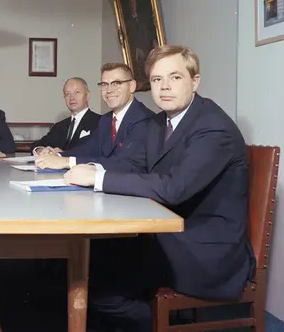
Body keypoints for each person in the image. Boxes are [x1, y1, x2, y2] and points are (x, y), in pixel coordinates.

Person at [64, 45, 255, 332]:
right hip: (173, 231)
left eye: (175, 77)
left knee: (98, 289)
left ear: (195, 81)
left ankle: (159, 324)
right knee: (91, 260)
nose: (164, 86)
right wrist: (90, 169)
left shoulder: (213, 127)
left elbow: (174, 188)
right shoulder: (159, 122)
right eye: (156, 79)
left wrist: (98, 179)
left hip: (205, 248)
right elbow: (133, 164)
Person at [35, 63, 153, 169]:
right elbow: (88, 149)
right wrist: (57, 155)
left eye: (116, 83)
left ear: (132, 86)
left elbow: (122, 163)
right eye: (104, 84)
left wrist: (67, 162)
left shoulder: (145, 120)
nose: (109, 90)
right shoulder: (106, 120)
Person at [30, 77, 101, 155]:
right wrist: (40, 150)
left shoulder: (101, 122)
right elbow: (36, 145)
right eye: (67, 94)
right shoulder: (59, 126)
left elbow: (97, 153)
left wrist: (63, 155)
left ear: (87, 96)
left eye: (77, 92)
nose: (72, 98)